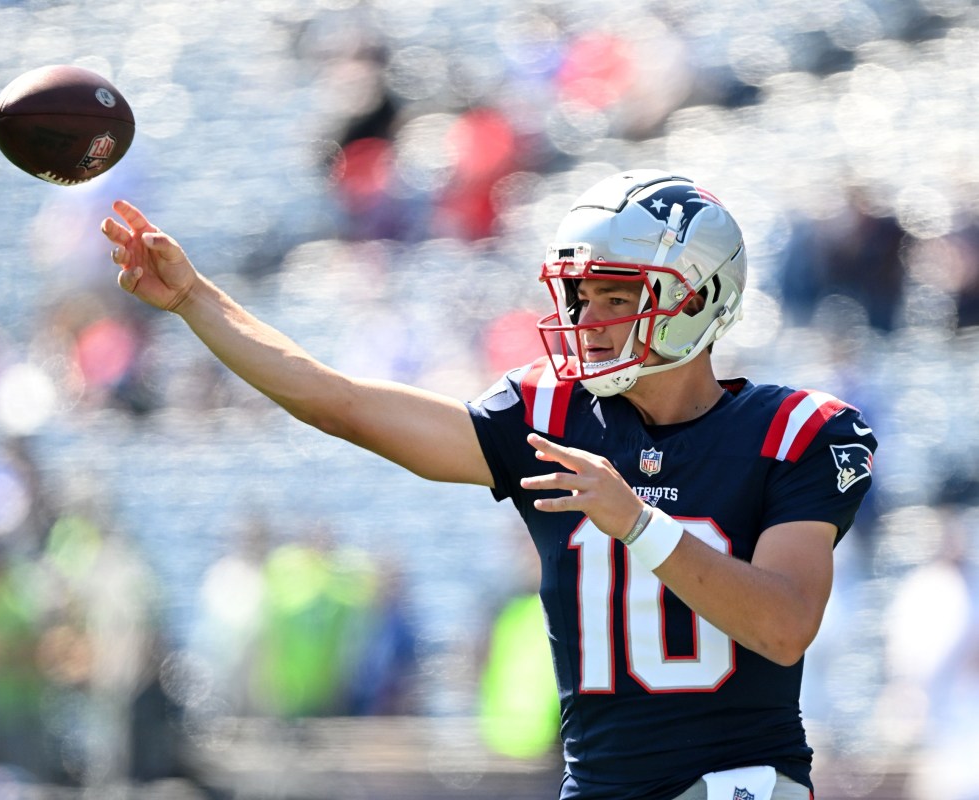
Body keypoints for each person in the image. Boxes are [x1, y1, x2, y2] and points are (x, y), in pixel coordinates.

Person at [100, 169, 877, 800]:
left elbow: (782, 625)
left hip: (737, 787)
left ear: (699, 296)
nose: (591, 318)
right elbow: (340, 403)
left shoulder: (795, 432)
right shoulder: (554, 416)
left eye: (618, 295)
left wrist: (638, 523)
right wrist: (195, 302)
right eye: (581, 296)